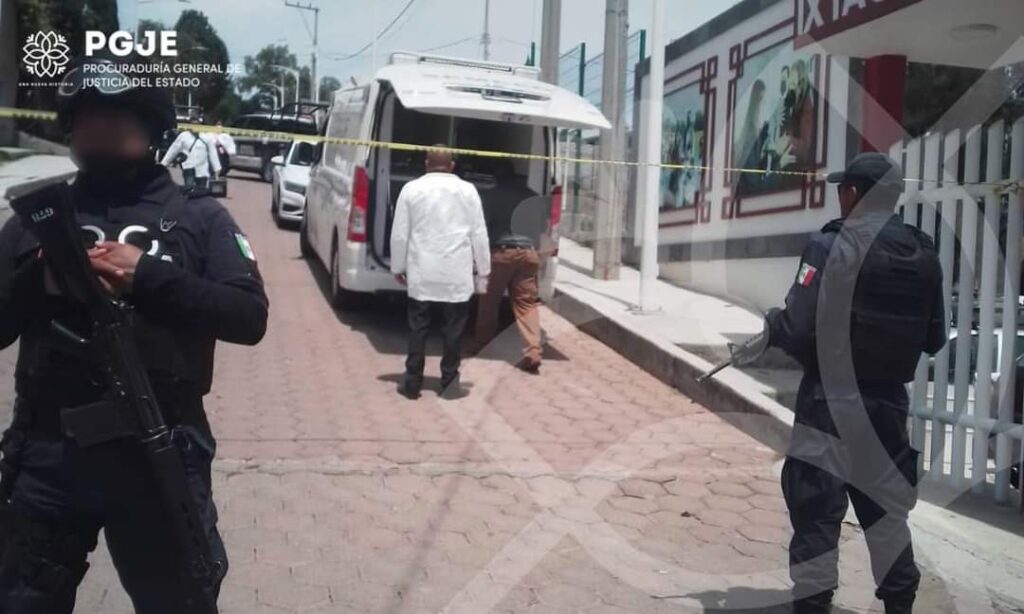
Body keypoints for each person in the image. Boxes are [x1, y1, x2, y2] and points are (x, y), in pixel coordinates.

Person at [0, 56, 269, 613]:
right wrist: (36, 282)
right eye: (86, 115)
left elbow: (248, 317)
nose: (100, 125)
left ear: (151, 125)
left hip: (159, 451)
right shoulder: (36, 218)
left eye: (118, 113)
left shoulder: (198, 217)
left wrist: (146, 276)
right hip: (48, 454)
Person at [765, 153, 946, 614]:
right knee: (886, 515)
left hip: (829, 402)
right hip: (888, 407)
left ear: (851, 193)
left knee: (816, 511)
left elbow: (796, 326)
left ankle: (814, 604)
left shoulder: (829, 246)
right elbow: (935, 338)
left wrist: (772, 324)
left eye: (841, 190)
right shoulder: (923, 254)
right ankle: (900, 605)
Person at [390, 146, 490, 399]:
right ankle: (450, 382)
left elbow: (400, 233)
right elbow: (479, 233)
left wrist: (398, 266)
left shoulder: (411, 189)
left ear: (426, 164)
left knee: (418, 328)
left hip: (422, 269)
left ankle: (412, 382)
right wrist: (484, 269)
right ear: (452, 165)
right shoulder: (468, 191)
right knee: (453, 331)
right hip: (456, 272)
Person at [474, 161, 546, 373]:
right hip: (529, 254)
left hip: (502, 254)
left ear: (495, 178)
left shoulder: (490, 196)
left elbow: (483, 228)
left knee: (489, 301)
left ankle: (483, 344)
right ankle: (533, 351)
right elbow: (542, 228)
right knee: (526, 304)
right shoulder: (533, 196)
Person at [160, 125, 221, 190]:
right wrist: (164, 163)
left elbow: (213, 153)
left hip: (202, 170)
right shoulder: (184, 136)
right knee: (189, 189)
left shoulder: (206, 137)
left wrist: (217, 168)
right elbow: (173, 149)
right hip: (188, 167)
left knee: (202, 190)